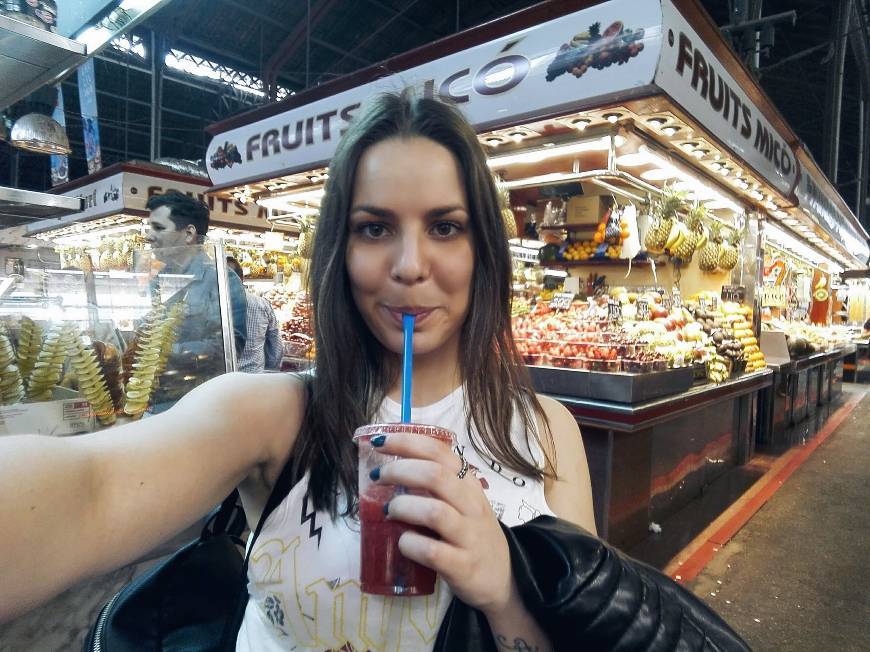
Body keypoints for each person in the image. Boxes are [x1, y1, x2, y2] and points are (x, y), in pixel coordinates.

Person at [0, 93, 740, 650]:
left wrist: (502, 582)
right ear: (338, 253)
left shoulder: (546, 436)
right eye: (374, 228)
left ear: (482, 247)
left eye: (445, 227)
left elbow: (571, 636)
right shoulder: (274, 416)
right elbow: (89, 489)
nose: (410, 266)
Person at [143, 191, 248, 409]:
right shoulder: (157, 280)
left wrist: (164, 352)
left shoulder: (220, 280)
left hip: (200, 403)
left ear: (189, 233)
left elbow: (228, 346)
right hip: (154, 399)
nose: (148, 236)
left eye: (159, 228)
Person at [226, 256, 283, 373]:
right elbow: (276, 348)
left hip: (222, 381)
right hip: (255, 378)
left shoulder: (212, 306)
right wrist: (269, 370)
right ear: (241, 279)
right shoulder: (262, 304)